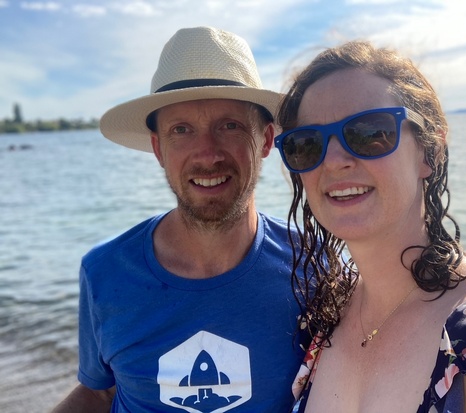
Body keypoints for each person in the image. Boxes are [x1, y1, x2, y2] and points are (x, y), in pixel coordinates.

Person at [274, 40, 466, 412]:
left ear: (429, 152)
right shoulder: (324, 317)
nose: (334, 160)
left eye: (370, 132)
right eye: (307, 144)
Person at [51, 26, 308, 413]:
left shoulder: (312, 267)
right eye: (181, 130)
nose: (207, 154)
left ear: (267, 140)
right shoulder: (105, 271)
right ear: (158, 149)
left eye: (230, 126)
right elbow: (98, 392)